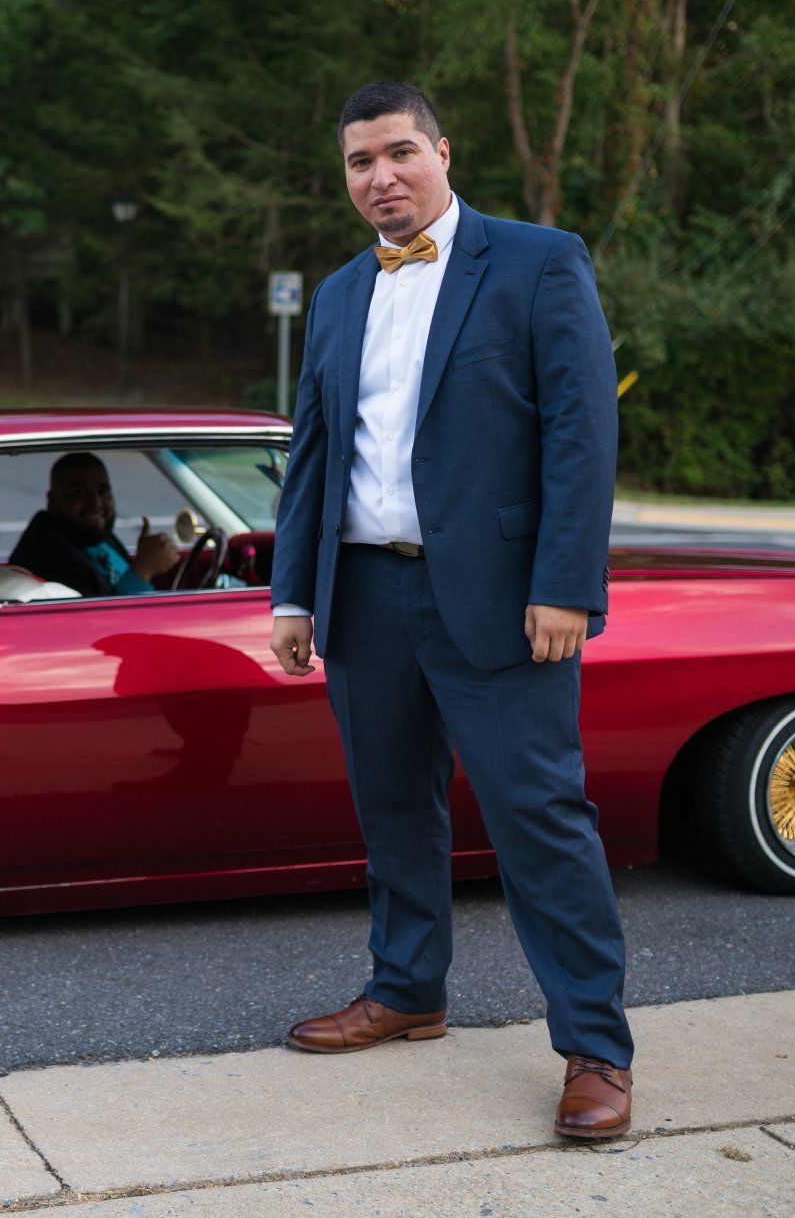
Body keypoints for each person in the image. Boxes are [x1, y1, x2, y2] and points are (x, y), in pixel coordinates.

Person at [268, 81, 632, 1139]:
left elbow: (580, 432)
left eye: (397, 153)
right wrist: (295, 591)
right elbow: (313, 456)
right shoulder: (340, 294)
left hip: (504, 601)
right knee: (392, 808)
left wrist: (566, 583)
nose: (379, 177)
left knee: (540, 820)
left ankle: (596, 1048)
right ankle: (408, 989)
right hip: (363, 594)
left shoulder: (536, 260)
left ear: (440, 151)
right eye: (357, 163)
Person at [9, 451, 181, 597]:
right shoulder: (47, 557)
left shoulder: (89, 534)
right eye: (79, 492)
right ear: (52, 501)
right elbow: (101, 625)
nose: (96, 503)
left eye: (103, 491)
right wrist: (143, 569)